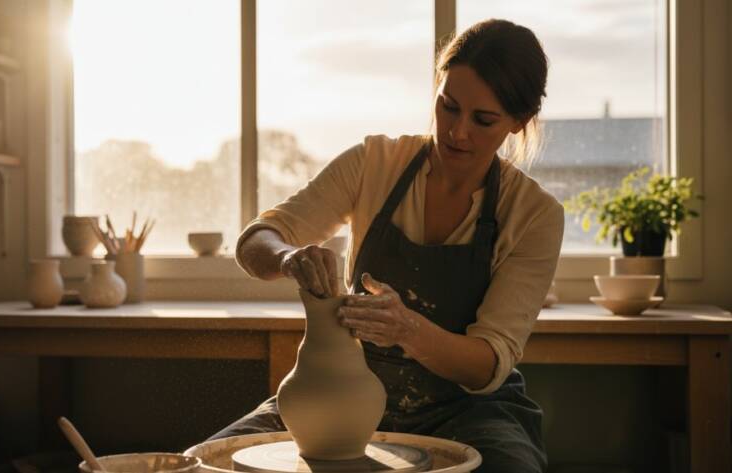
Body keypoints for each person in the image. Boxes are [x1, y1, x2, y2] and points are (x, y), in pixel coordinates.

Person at [208, 18, 564, 473]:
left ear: (519, 122)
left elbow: (487, 364)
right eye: (448, 106)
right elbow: (255, 242)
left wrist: (407, 330)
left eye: (483, 120)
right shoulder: (374, 163)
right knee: (206, 463)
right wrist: (288, 256)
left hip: (469, 411)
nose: (457, 132)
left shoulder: (534, 213)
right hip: (342, 389)